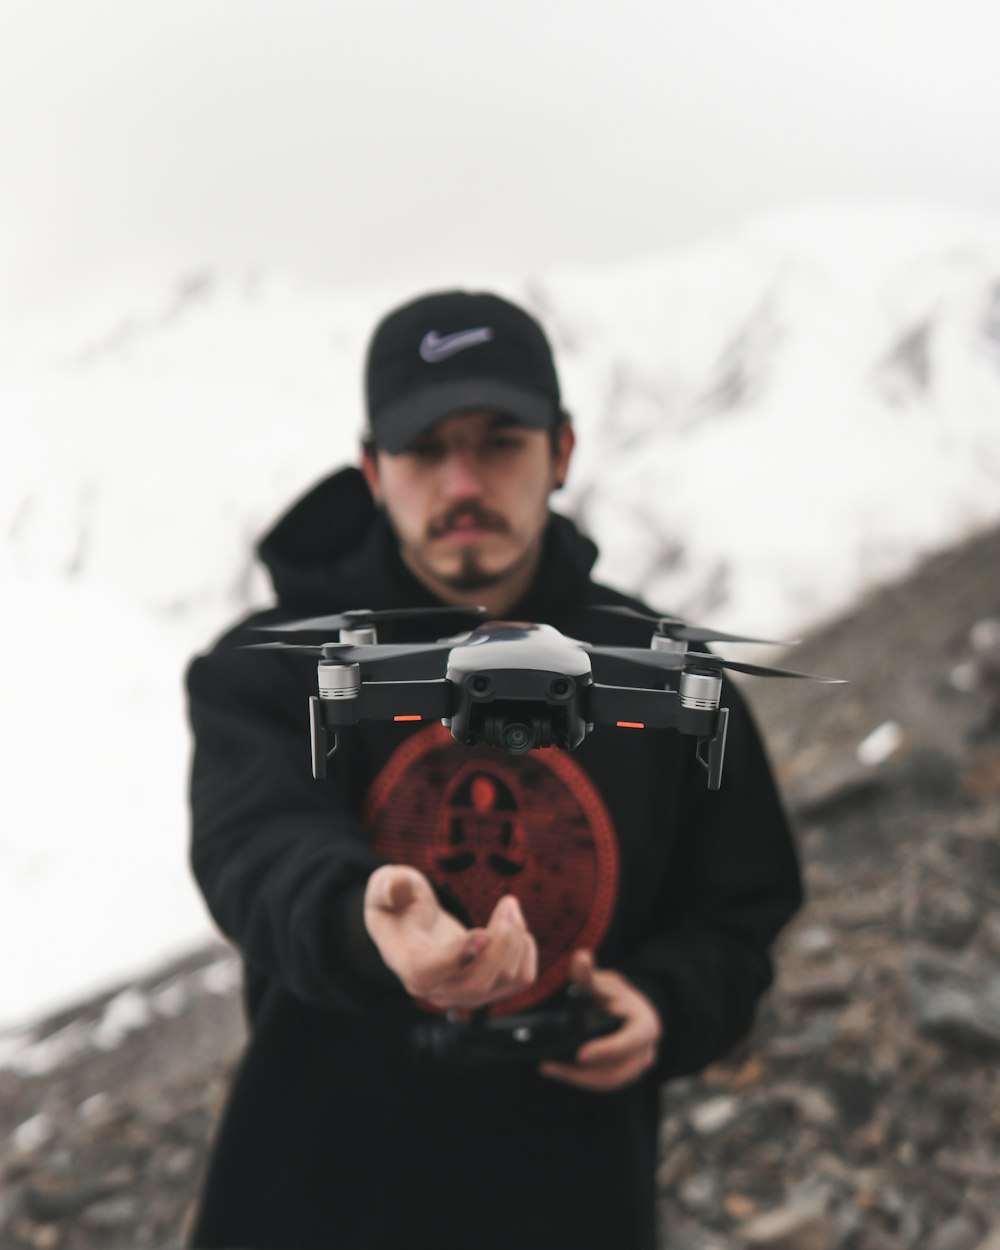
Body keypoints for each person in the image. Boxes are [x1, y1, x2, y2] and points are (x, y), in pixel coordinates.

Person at [184, 290, 803, 1250]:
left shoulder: (671, 678)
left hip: (572, 1200)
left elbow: (742, 908)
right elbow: (253, 846)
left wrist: (665, 1007)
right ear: (372, 469)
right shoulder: (272, 667)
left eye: (498, 441)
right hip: (313, 1197)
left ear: (561, 451)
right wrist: (365, 915)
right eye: (425, 449)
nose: (460, 481)